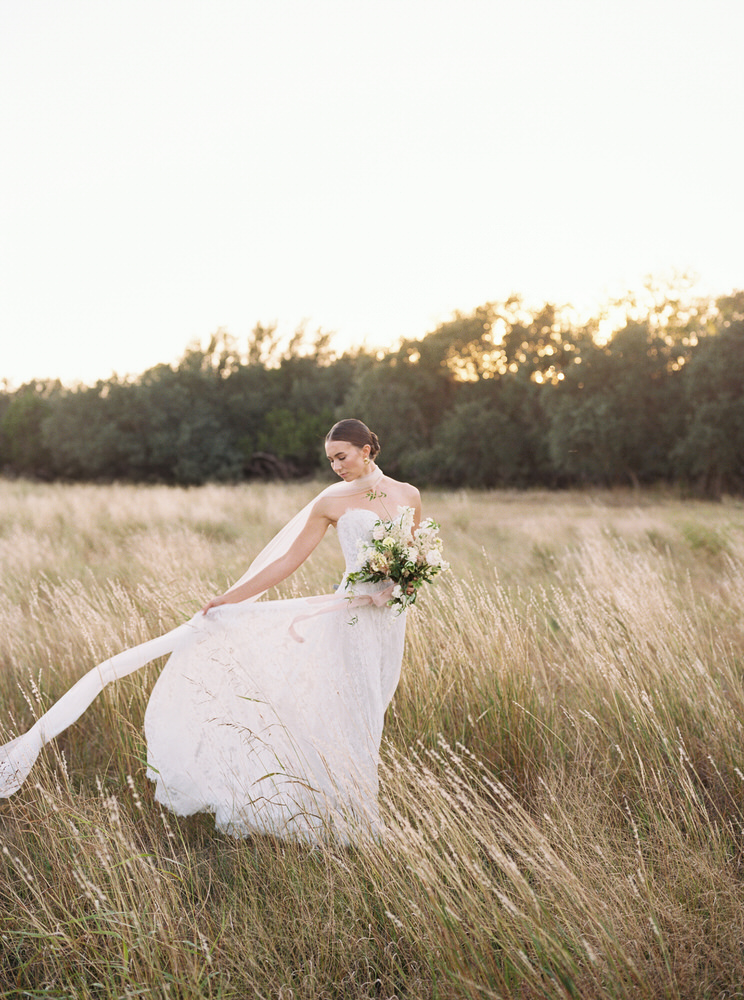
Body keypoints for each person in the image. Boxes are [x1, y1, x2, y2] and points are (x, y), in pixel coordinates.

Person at [0, 419, 421, 845]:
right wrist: (230, 598)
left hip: (390, 621)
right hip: (348, 621)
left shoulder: (409, 495)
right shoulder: (331, 501)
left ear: (367, 449)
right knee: (355, 712)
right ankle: (356, 820)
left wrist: (405, 583)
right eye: (330, 459)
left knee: (374, 708)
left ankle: (346, 808)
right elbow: (287, 562)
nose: (335, 466)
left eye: (342, 457)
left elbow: (417, 555)